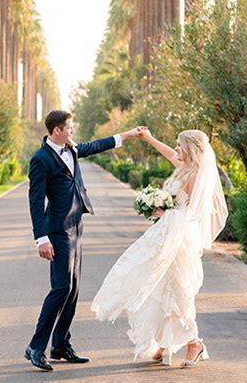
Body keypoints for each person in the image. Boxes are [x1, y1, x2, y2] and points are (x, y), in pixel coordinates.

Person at [91, 127, 228, 368]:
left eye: (179, 145)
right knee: (159, 287)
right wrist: (149, 138)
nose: (175, 149)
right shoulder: (184, 168)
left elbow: (191, 214)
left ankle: (194, 343)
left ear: (190, 149)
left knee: (178, 289)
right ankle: (164, 343)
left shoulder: (196, 175)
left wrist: (164, 211)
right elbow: (168, 155)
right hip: (167, 234)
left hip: (180, 239)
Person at [25, 109, 143, 372]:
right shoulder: (41, 159)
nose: (72, 132)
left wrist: (127, 135)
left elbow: (95, 145)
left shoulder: (71, 149)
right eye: (69, 128)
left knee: (74, 288)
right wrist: (41, 239)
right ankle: (35, 346)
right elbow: (35, 202)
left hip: (76, 225)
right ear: (57, 130)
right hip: (57, 230)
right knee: (61, 287)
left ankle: (60, 345)